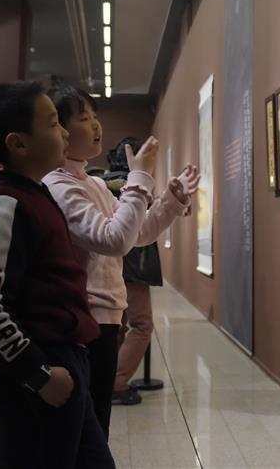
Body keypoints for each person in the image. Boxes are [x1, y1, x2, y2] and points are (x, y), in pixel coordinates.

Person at [0, 81, 114, 469]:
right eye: (52, 124)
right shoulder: (5, 205)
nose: (64, 132)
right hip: (38, 371)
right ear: (19, 143)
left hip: (65, 360)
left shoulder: (36, 195)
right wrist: (38, 373)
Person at [43, 84, 199, 439]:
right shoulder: (59, 184)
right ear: (61, 133)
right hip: (82, 318)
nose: (96, 126)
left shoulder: (91, 182)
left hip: (104, 316)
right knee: (87, 426)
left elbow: (136, 234)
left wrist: (170, 202)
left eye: (96, 117)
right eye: (84, 118)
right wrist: (139, 178)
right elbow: (112, 240)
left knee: (96, 420)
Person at [103, 138, 165, 406]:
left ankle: (105, 378)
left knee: (116, 325)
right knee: (141, 324)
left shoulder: (101, 183)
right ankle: (116, 382)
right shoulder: (138, 183)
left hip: (111, 263)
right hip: (136, 265)